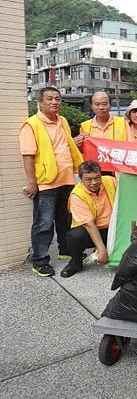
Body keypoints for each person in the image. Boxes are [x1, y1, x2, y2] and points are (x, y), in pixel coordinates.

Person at [19, 87, 83, 276]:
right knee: (43, 223)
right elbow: (28, 156)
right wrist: (32, 182)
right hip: (46, 182)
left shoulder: (62, 121)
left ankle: (65, 250)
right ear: (40, 102)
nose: (55, 102)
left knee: (65, 219)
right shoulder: (31, 124)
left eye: (57, 99)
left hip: (67, 178)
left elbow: (63, 144)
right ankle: (39, 260)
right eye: (50, 99)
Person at [60, 161, 116, 278]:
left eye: (97, 177)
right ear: (81, 179)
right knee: (75, 236)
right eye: (88, 179)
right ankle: (75, 263)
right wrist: (102, 250)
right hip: (90, 231)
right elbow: (89, 225)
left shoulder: (110, 181)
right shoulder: (77, 195)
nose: (94, 182)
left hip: (111, 229)